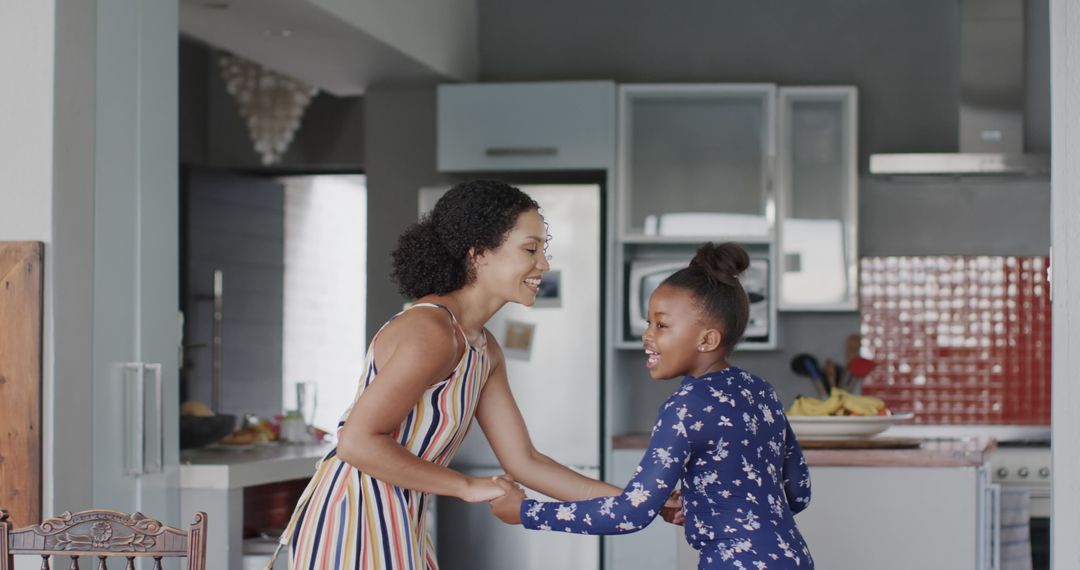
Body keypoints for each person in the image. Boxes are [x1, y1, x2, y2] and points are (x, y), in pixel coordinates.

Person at [268, 179, 633, 570]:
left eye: (543, 249)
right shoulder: (431, 332)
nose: (543, 264)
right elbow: (356, 442)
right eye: (530, 249)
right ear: (478, 254)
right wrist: (467, 486)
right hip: (354, 516)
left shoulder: (482, 348)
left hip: (400, 516)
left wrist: (639, 501)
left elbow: (525, 461)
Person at [490, 242, 815, 569]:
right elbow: (799, 492)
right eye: (648, 323)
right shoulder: (760, 390)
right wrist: (714, 504)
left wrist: (525, 512)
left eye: (660, 325)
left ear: (707, 340)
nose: (647, 336)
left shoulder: (687, 406)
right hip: (794, 555)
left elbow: (631, 513)